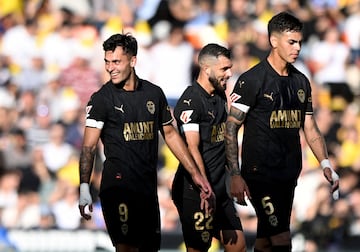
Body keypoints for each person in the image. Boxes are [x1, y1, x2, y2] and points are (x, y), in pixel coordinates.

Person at [78, 33, 214, 252]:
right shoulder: (101, 99)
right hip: (118, 185)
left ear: (132, 61)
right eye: (107, 62)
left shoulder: (154, 94)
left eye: (116, 62)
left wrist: (196, 174)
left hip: (147, 188)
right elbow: (88, 147)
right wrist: (84, 185)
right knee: (127, 248)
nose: (110, 68)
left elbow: (170, 134)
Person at [224, 12, 340, 252]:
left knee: (266, 241)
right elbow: (231, 127)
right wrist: (235, 174)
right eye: (291, 42)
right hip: (260, 173)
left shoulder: (301, 82)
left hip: (288, 172)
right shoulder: (252, 80)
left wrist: (325, 163)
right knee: (281, 240)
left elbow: (309, 125)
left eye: (299, 42)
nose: (297, 48)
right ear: (273, 41)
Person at [172, 43, 246, 252]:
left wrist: (234, 175)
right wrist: (204, 188)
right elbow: (192, 147)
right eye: (224, 69)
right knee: (199, 249)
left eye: (229, 68)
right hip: (195, 190)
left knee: (238, 246)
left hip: (220, 188)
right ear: (206, 69)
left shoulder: (220, 96)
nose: (230, 73)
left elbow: (226, 140)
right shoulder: (190, 102)